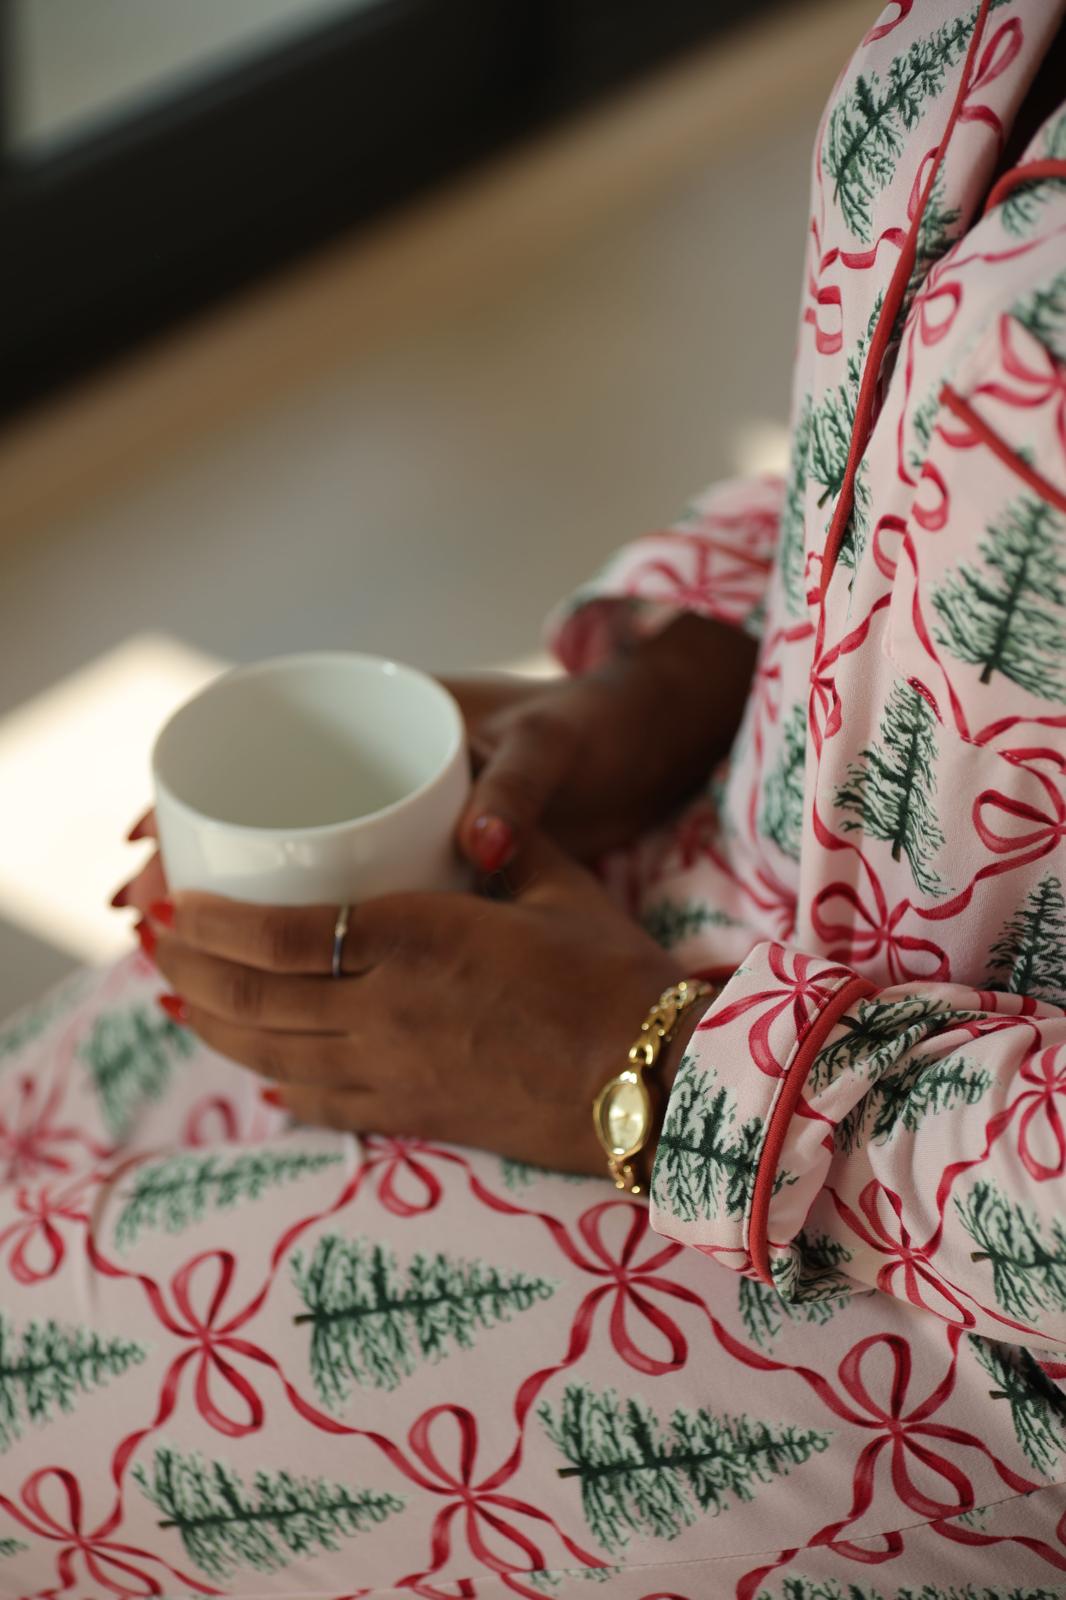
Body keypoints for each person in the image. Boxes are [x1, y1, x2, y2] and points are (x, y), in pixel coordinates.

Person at [3, 2, 1065, 1595]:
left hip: (952, 1324)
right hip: (719, 918)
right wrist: (677, 671)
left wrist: (637, 1072)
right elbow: (923, 415)